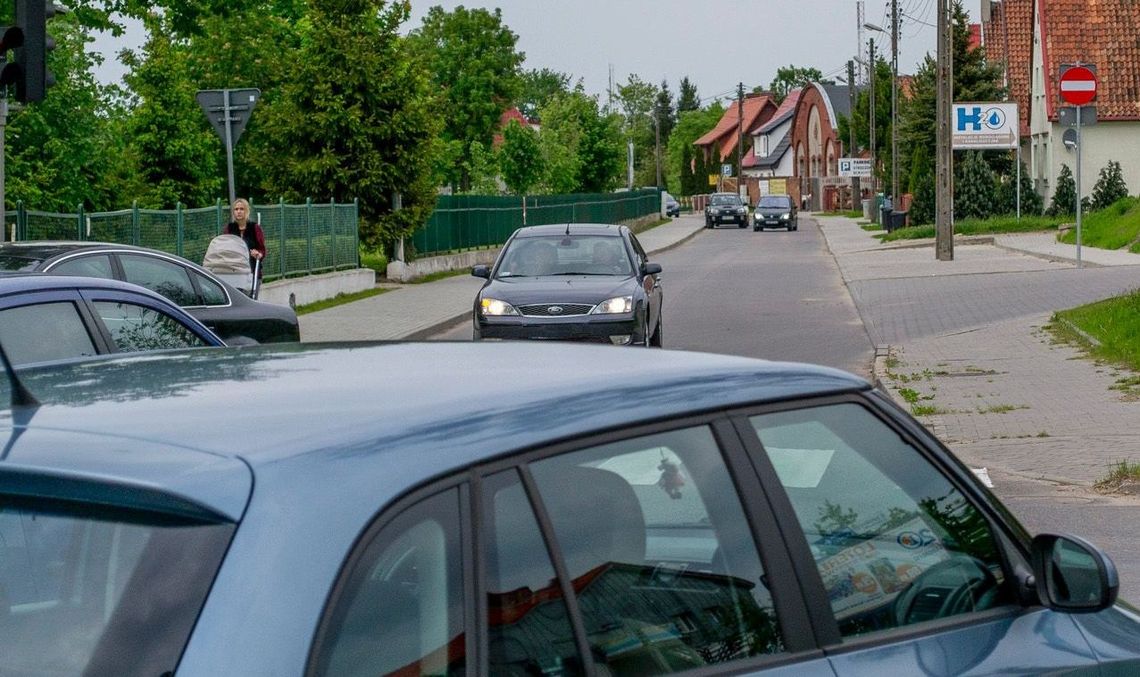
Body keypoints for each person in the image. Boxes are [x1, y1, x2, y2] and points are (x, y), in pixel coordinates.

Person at [224, 198, 267, 279]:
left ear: (247, 211)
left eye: (241, 209)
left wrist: (258, 254)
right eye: (236, 209)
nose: (239, 211)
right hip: (233, 272)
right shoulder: (229, 228)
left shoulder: (255, 228)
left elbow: (262, 250)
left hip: (252, 271)